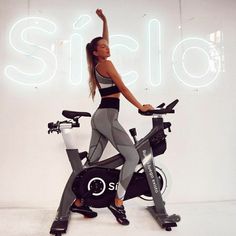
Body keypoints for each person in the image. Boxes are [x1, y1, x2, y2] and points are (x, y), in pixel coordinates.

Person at [70, 9, 154, 225]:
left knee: (92, 163)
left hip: (100, 117)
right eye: (104, 46)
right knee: (133, 157)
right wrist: (140, 106)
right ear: (97, 52)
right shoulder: (106, 64)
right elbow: (123, 88)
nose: (108, 47)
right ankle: (117, 201)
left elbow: (103, 40)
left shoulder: (98, 63)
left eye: (108, 45)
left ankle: (78, 202)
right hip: (106, 117)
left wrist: (105, 20)